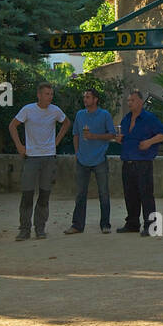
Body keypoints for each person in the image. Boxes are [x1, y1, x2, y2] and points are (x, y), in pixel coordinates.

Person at [9, 82, 69, 241]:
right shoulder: (28, 109)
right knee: (27, 193)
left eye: (51, 94)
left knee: (44, 193)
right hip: (31, 157)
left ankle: (40, 228)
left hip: (48, 156)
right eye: (47, 94)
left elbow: (66, 123)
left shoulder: (55, 110)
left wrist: (56, 141)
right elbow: (12, 126)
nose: (50, 97)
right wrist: (20, 146)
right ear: (39, 95)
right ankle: (24, 229)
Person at [117, 90, 163, 236]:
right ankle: (132, 223)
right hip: (127, 161)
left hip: (143, 162)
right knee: (130, 195)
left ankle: (152, 226)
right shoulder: (126, 119)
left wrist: (149, 142)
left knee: (146, 195)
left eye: (132, 100)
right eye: (128, 101)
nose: (129, 103)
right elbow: (124, 138)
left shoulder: (149, 118)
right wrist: (119, 139)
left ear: (140, 102)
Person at [65, 87, 116, 235]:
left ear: (95, 99)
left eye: (88, 97)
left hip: (99, 158)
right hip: (82, 159)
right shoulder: (80, 115)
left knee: (103, 193)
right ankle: (77, 225)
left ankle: (105, 224)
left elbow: (112, 134)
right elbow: (76, 134)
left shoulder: (104, 115)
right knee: (80, 193)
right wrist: (77, 152)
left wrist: (95, 136)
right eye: (84, 97)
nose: (85, 99)